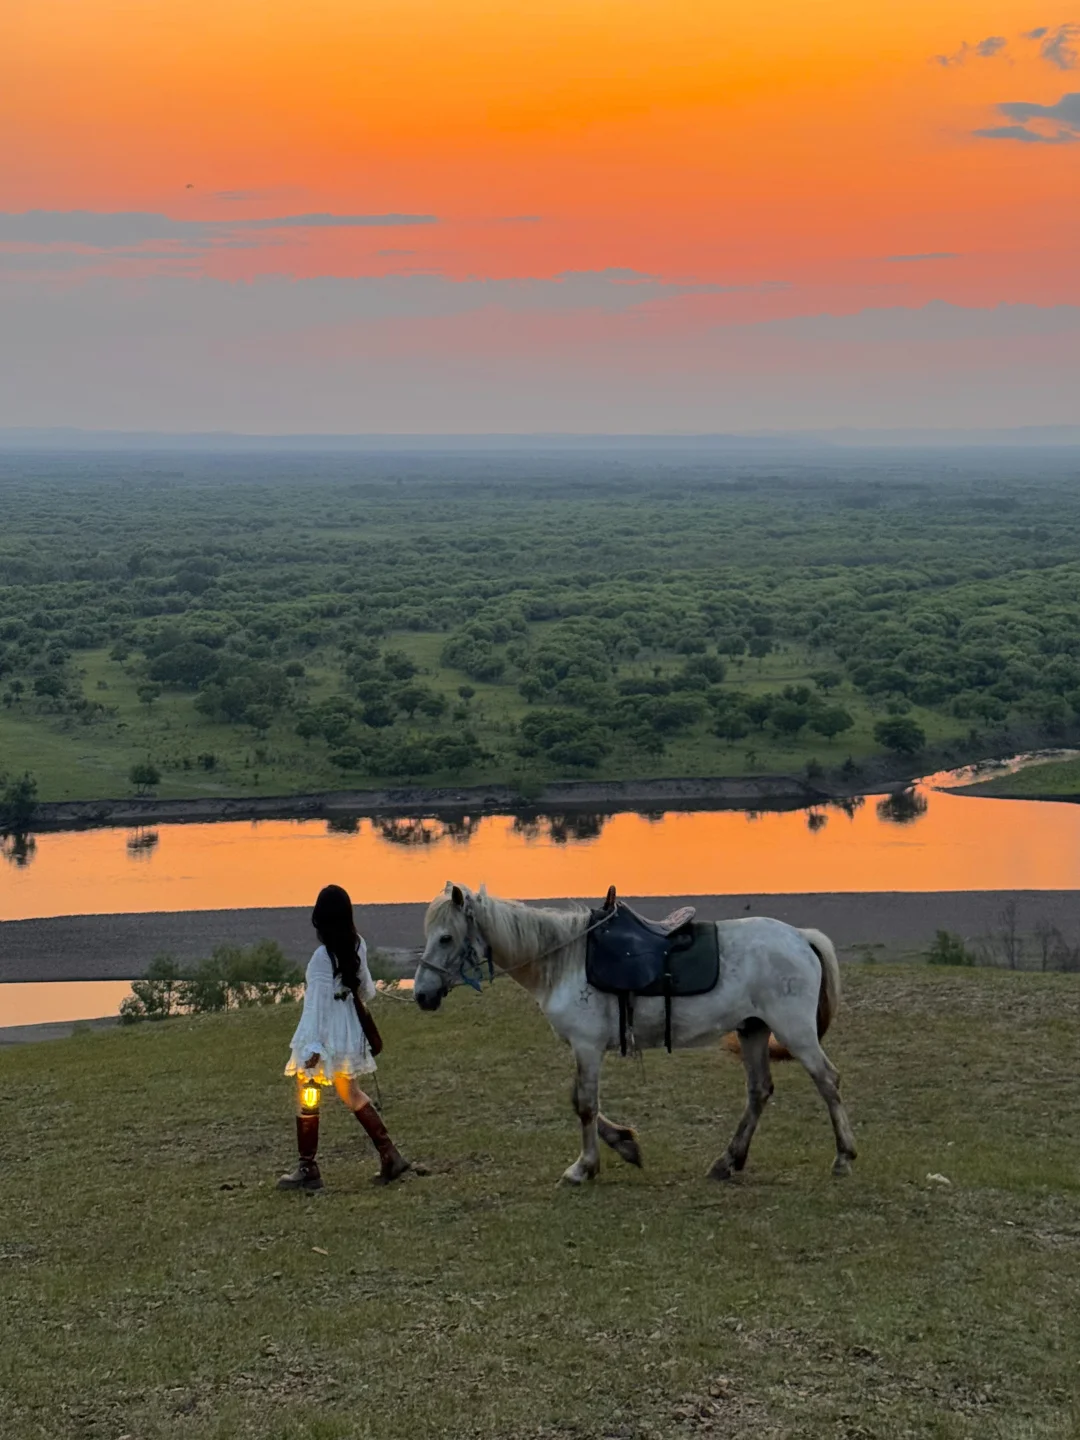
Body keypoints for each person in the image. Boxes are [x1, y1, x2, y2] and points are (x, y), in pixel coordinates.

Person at [278, 884, 409, 1190]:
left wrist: (313, 1049)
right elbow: (366, 990)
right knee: (350, 1091)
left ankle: (308, 1168)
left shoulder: (321, 957)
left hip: (324, 1034)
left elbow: (317, 1007)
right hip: (348, 1030)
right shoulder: (358, 945)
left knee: (308, 1091)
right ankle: (390, 1155)